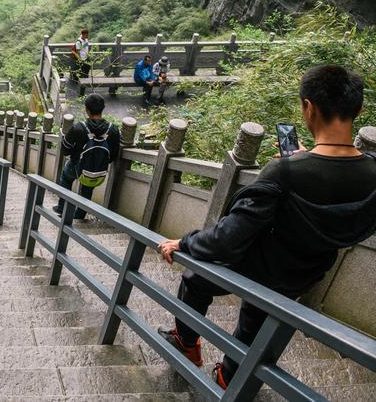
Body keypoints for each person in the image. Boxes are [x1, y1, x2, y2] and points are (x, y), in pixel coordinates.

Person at [156, 65, 376, 389]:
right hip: (307, 271)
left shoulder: (285, 172)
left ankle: (187, 344)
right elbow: (334, 181)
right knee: (254, 323)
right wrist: (309, 158)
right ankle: (231, 378)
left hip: (259, 265)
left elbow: (227, 239)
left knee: (196, 278)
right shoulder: (371, 172)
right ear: (357, 110)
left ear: (308, 108)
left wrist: (184, 243)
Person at [51, 94, 119, 220]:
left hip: (76, 165)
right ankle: (80, 214)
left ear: (86, 109)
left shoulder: (79, 128)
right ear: (103, 108)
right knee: (87, 186)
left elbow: (65, 150)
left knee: (66, 177)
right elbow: (113, 154)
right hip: (97, 169)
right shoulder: (113, 130)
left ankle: (62, 207)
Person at [71, 28, 91, 95]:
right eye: (86, 35)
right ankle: (81, 86)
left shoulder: (86, 40)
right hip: (81, 59)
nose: (87, 36)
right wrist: (79, 60)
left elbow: (86, 48)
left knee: (87, 70)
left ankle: (85, 83)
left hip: (86, 58)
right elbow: (77, 52)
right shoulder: (78, 42)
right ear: (83, 34)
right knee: (82, 72)